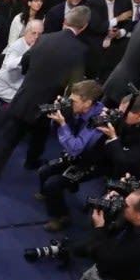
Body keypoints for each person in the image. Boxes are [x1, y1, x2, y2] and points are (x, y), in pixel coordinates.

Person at [0, 5, 89, 183]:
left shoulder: (43, 39)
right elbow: (75, 84)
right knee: (40, 136)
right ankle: (31, 162)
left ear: (65, 21)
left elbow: (24, 64)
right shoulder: (80, 50)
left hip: (25, 97)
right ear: (84, 26)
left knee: (9, 140)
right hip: (48, 103)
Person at [36, 79, 105, 231]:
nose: (70, 103)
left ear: (87, 103)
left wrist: (62, 124)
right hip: (74, 154)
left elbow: (76, 148)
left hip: (90, 162)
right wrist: (58, 117)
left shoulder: (98, 120)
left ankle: (61, 217)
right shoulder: (78, 109)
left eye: (74, 101)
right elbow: (56, 134)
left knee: (52, 184)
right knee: (43, 171)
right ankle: (49, 196)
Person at [0, 19, 43, 103]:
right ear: (26, 32)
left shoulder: (37, 46)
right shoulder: (17, 46)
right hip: (4, 89)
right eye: (33, 33)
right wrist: (29, 53)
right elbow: (9, 65)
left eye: (40, 34)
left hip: (20, 87)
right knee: (29, 102)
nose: (36, 37)